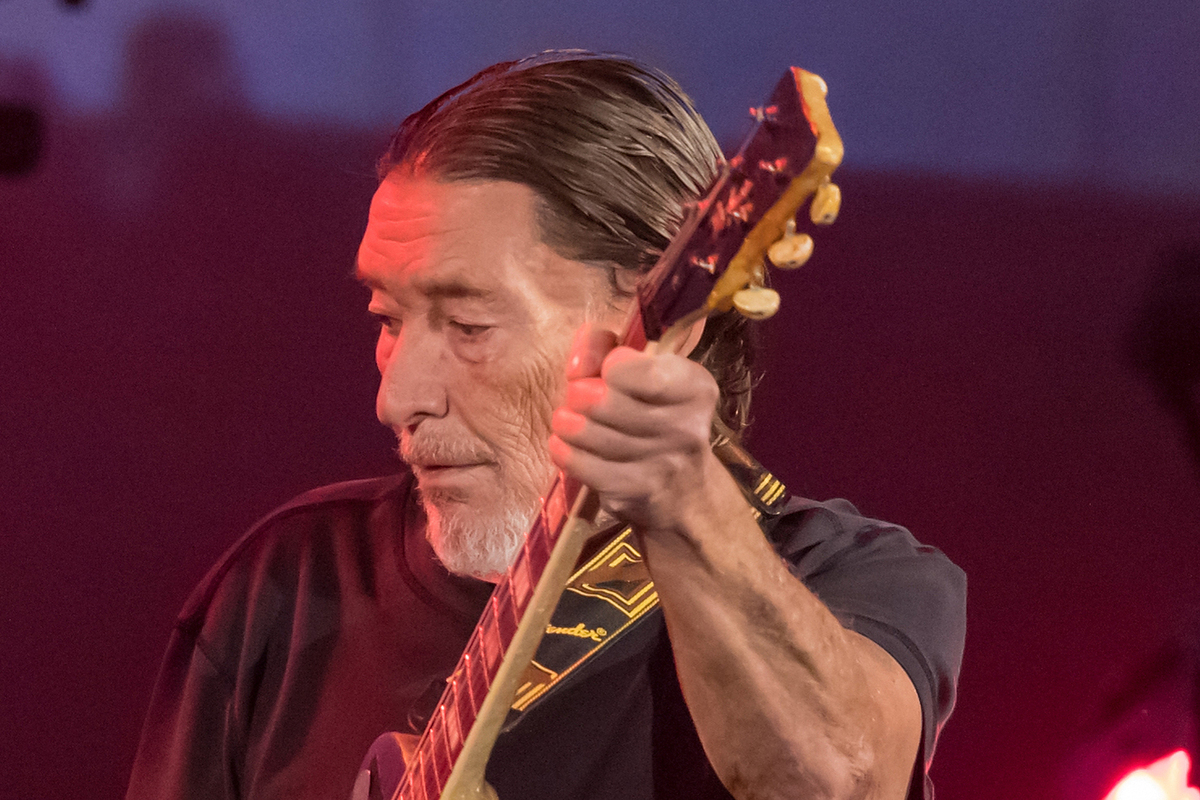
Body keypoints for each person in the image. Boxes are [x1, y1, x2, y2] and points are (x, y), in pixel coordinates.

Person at [125, 51, 966, 800]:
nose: (397, 398)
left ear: (658, 322)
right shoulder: (285, 588)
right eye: (387, 318)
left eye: (469, 325)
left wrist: (685, 506)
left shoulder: (853, 580)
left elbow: (839, 783)